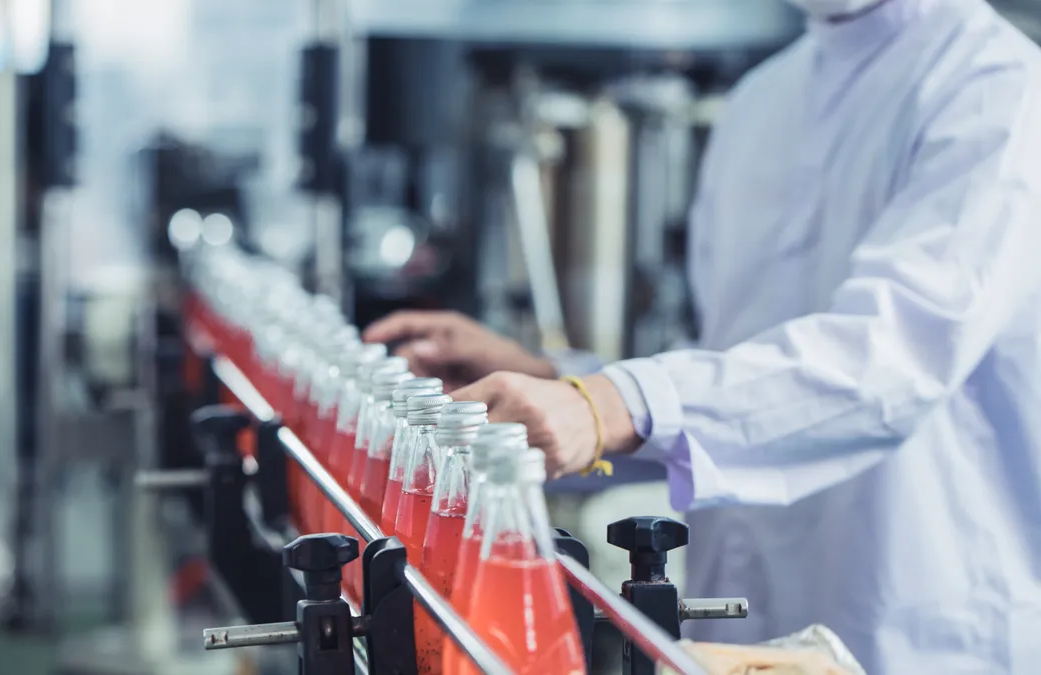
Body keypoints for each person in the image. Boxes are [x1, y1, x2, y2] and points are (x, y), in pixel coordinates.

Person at [363, 0, 1041, 672]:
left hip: (923, 624)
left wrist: (607, 404)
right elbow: (731, 372)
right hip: (739, 622)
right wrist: (556, 383)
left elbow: (887, 363)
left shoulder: (997, 89)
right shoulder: (761, 100)